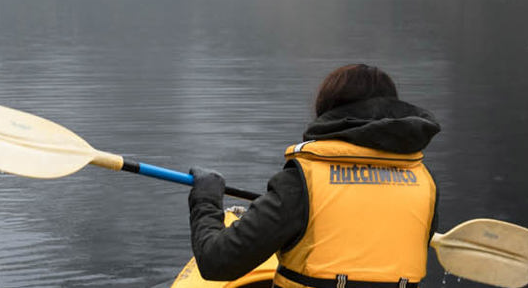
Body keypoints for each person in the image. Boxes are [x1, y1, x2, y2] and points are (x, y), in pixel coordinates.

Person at [187, 64, 441, 287]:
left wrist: (205, 199)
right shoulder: (424, 183)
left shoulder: (301, 182)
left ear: (327, 110)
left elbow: (216, 262)